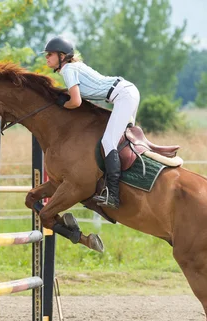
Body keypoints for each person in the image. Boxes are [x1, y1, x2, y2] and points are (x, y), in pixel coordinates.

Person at [44, 36, 140, 209]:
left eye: (50, 54)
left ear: (62, 56)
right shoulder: (73, 67)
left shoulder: (68, 70)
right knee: (121, 140)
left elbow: (76, 102)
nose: (46, 58)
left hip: (123, 96)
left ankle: (113, 194)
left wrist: (61, 105)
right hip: (127, 91)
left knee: (108, 142)